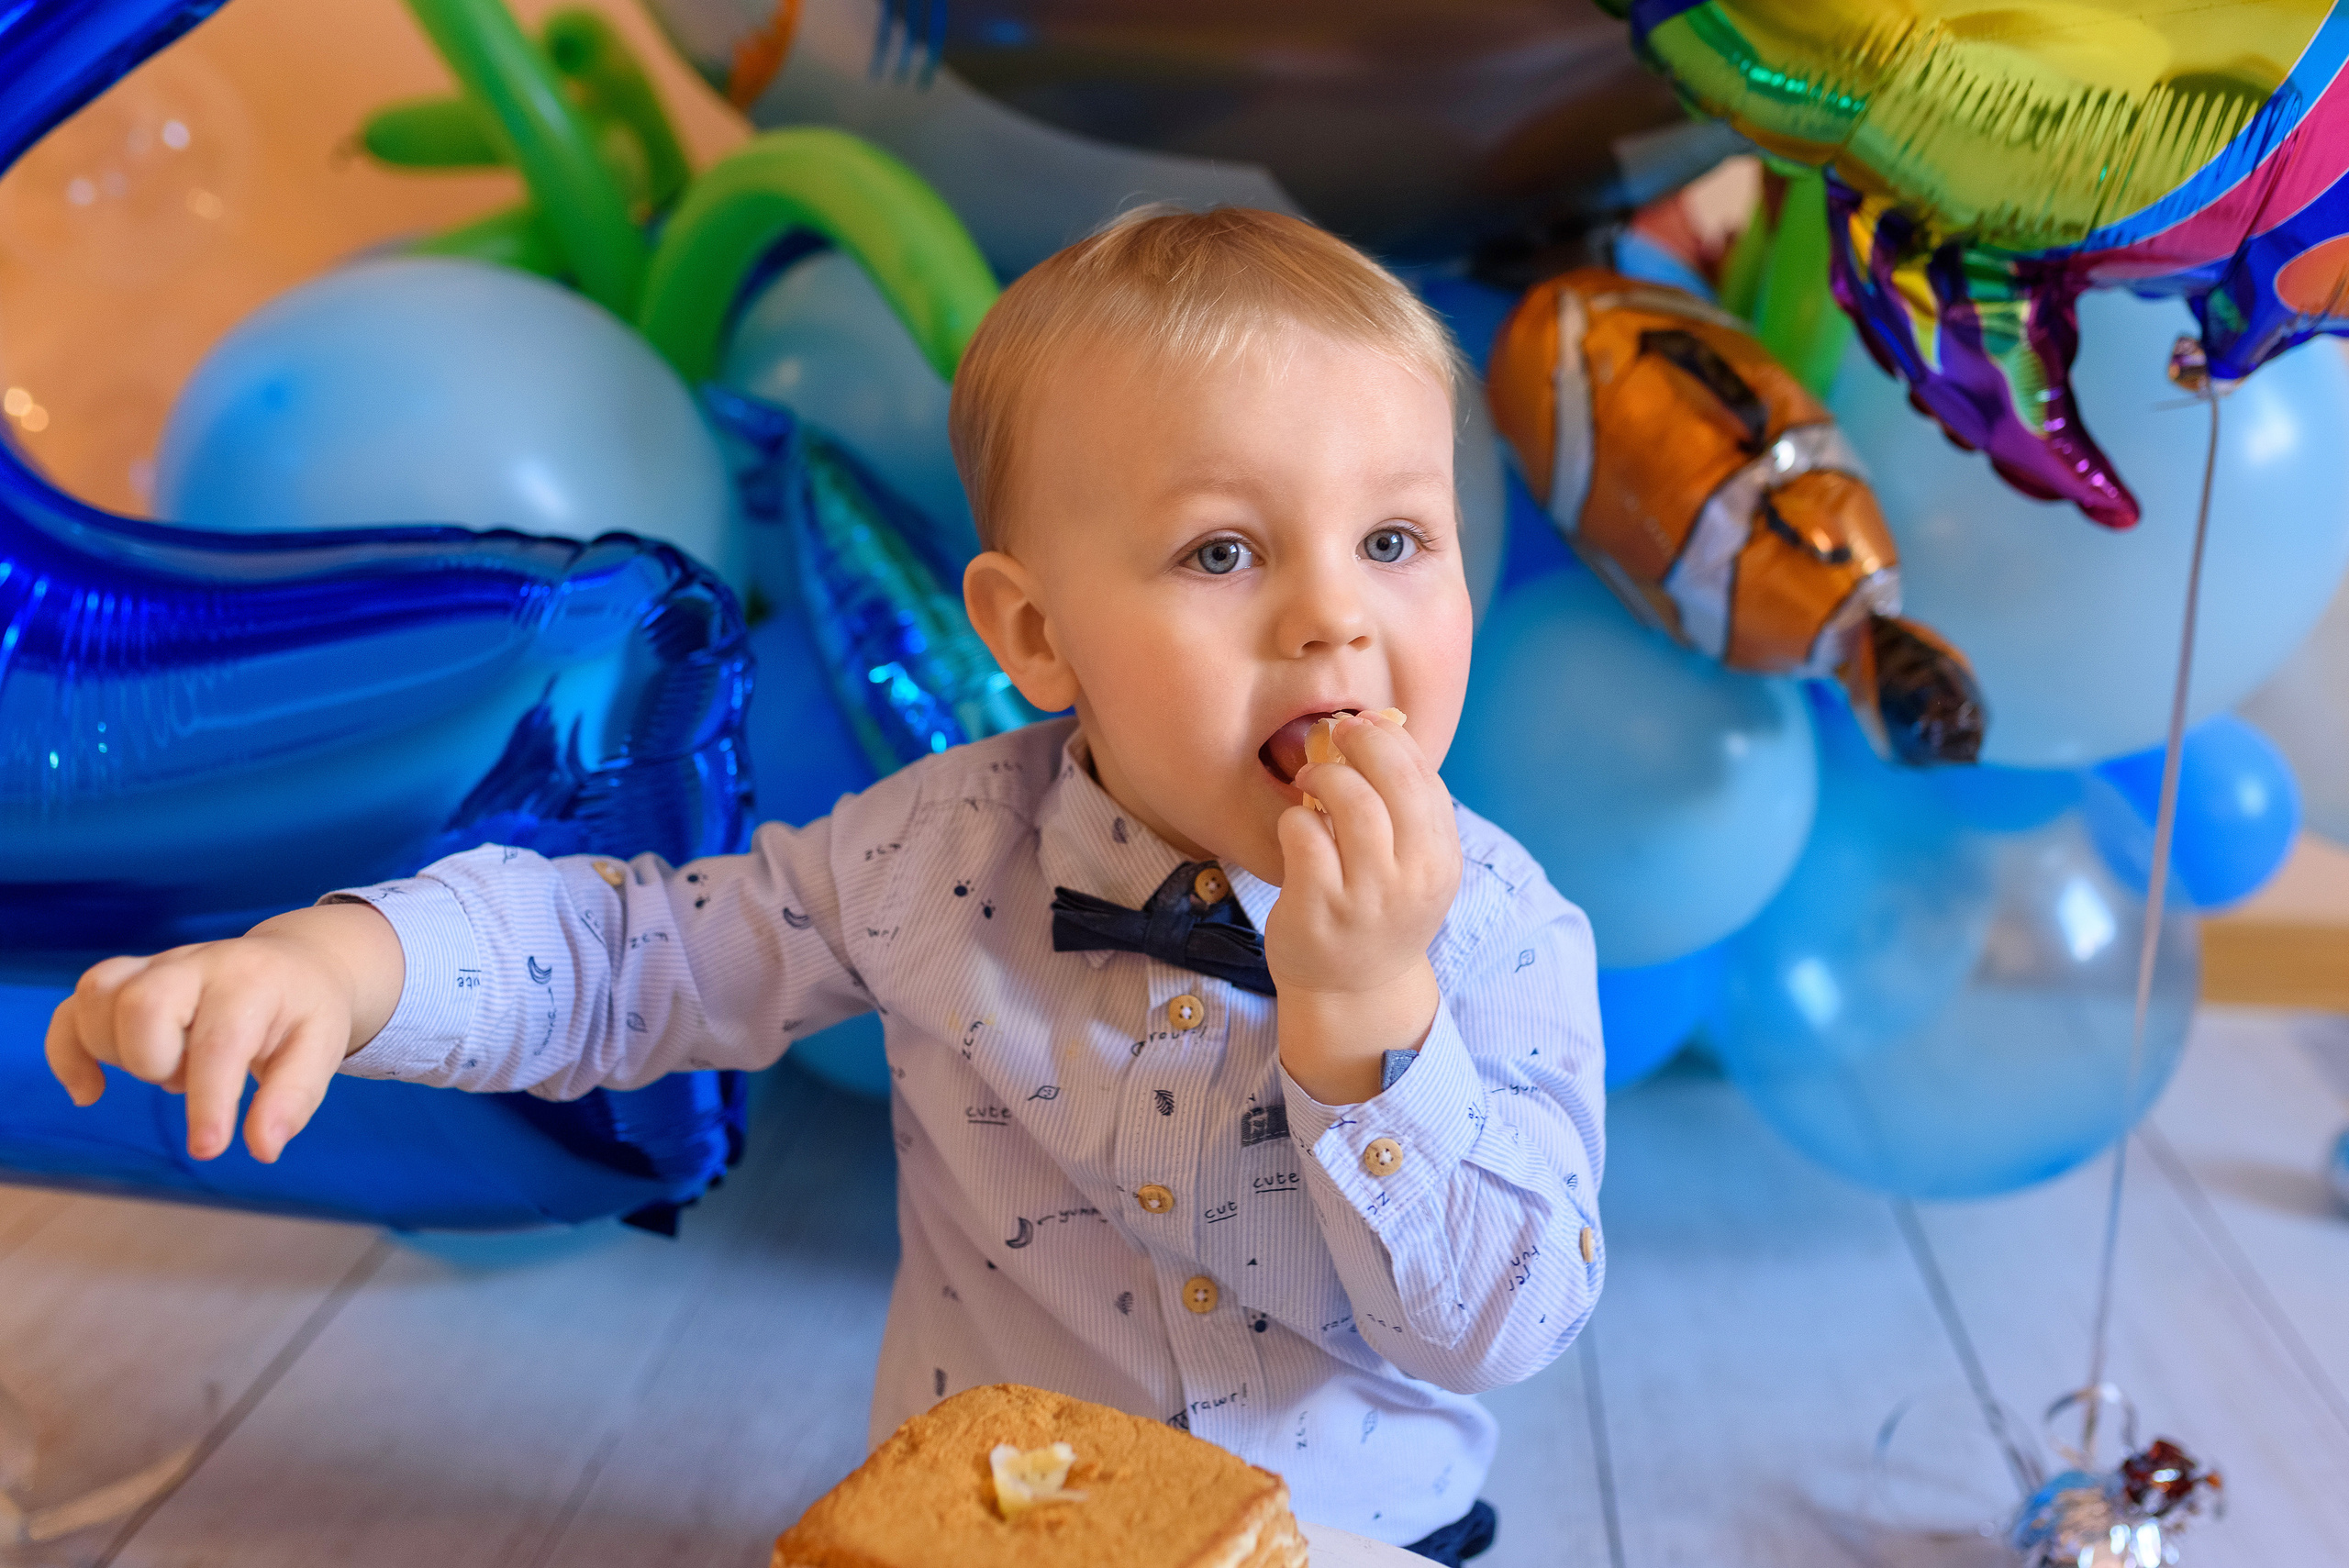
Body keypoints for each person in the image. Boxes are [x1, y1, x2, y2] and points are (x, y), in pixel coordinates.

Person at [44, 206, 1605, 1564]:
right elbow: (633, 956)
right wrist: (346, 964)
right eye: (1222, 553)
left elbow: (1501, 1324)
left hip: (1351, 1537)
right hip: (993, 1526)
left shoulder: (1503, 931)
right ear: (1037, 634)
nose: (1335, 616)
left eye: (1394, 537)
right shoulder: (937, 851)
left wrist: (1371, 1014)